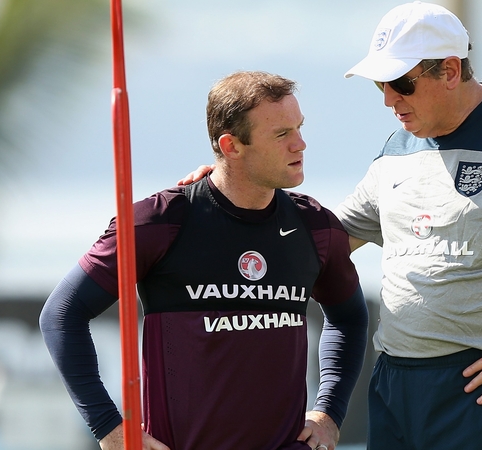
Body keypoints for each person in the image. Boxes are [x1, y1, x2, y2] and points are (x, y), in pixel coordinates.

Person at [181, 2, 482, 448]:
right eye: (381, 83)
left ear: (451, 71)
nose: (388, 99)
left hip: (481, 388)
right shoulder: (400, 143)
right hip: (394, 385)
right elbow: (323, 239)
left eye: (401, 83)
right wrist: (230, 184)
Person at [39, 71, 368, 450]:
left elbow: (349, 318)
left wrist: (329, 412)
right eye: (281, 134)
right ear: (231, 146)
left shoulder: (316, 227)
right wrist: (111, 430)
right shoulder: (159, 222)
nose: (300, 144)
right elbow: (61, 315)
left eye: (299, 128)